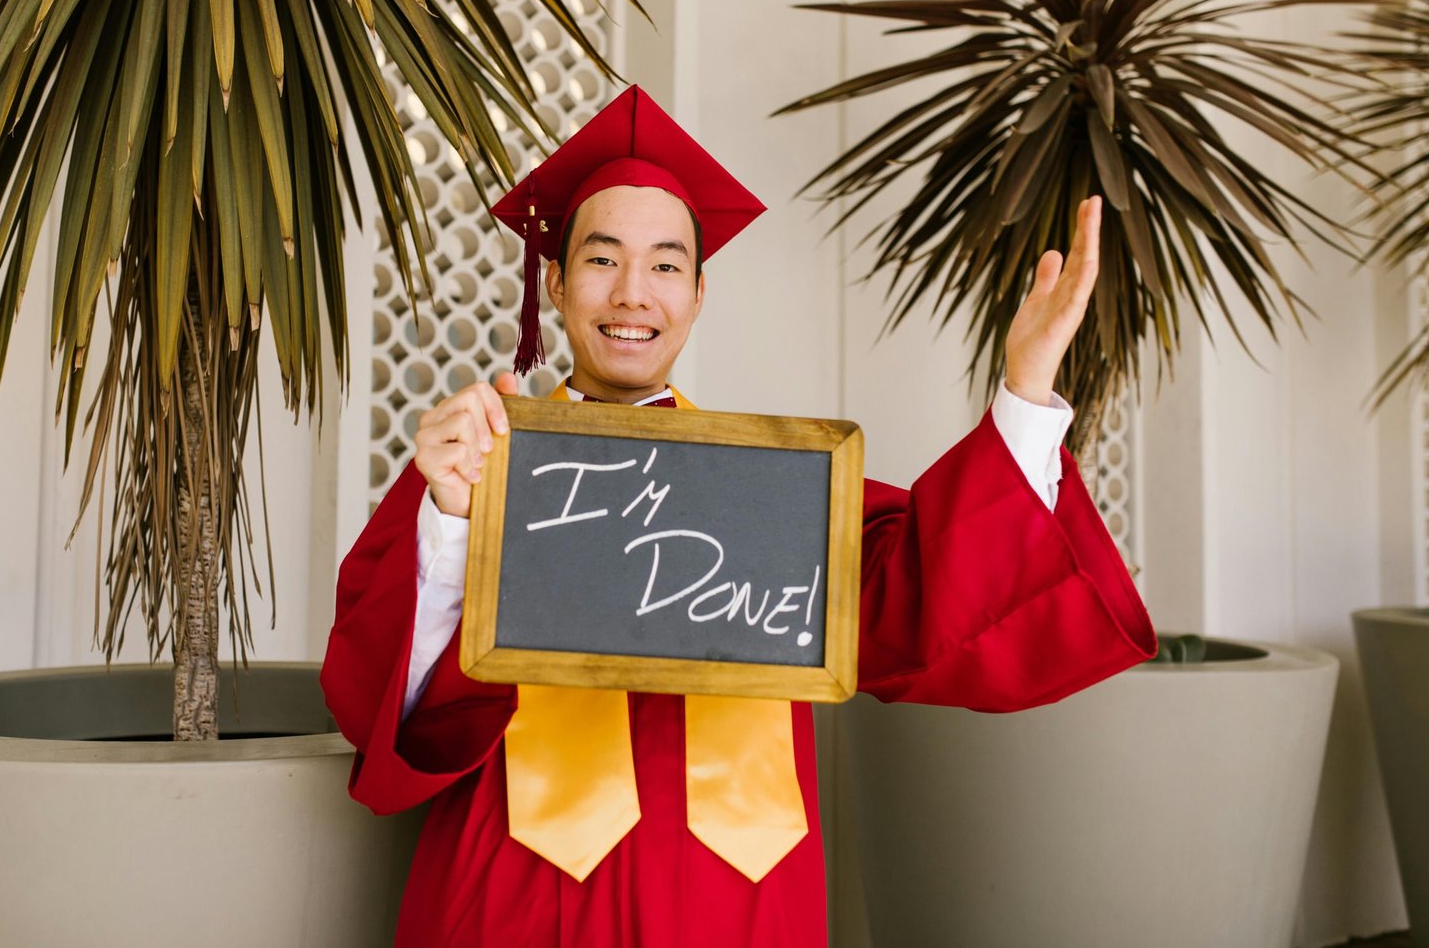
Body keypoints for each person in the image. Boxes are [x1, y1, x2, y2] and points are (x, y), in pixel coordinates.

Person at [320, 85, 1156, 946]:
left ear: (699, 294)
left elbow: (921, 591)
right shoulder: (473, 467)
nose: (633, 293)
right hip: (522, 893)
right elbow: (382, 713)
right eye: (602, 260)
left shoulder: (771, 488)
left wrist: (1023, 391)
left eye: (667, 265)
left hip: (734, 904)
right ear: (557, 284)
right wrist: (455, 520)